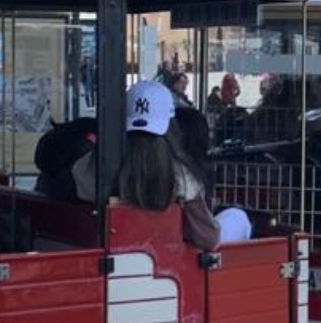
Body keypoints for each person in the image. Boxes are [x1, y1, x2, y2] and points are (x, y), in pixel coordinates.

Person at [76, 81, 250, 250]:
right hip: (167, 260)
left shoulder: (93, 164)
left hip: (105, 250)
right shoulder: (182, 175)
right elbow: (208, 239)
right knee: (238, 217)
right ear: (171, 125)